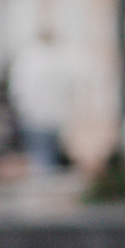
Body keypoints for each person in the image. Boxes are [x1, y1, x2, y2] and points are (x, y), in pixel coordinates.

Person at [8, 28, 75, 175]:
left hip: (34, 115)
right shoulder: (59, 59)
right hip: (52, 115)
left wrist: (21, 108)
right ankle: (47, 179)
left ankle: (43, 180)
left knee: (40, 154)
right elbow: (68, 86)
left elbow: (19, 89)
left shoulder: (29, 60)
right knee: (49, 152)